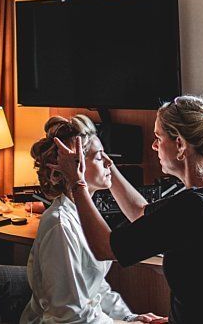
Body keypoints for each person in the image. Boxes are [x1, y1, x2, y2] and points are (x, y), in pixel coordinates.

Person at [53, 95, 203, 324]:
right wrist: (106, 165)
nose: (153, 146)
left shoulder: (194, 207)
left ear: (180, 145)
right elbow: (140, 212)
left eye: (158, 138)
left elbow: (105, 248)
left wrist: (77, 182)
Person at [21, 114, 164, 323]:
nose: (109, 162)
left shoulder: (83, 216)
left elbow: (95, 288)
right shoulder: (60, 225)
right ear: (74, 167)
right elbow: (69, 315)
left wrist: (129, 317)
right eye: (99, 157)